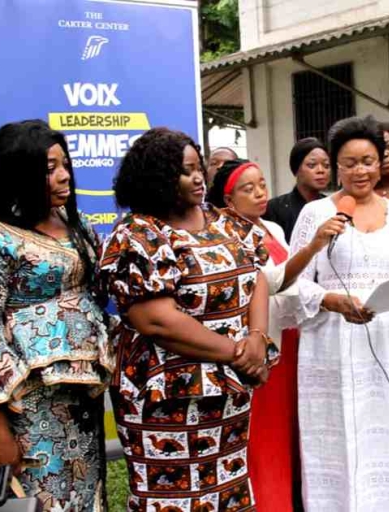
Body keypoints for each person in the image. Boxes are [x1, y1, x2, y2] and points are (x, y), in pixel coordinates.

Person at [100, 128, 278, 512]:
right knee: (173, 498)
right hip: (165, 397)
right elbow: (156, 321)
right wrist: (237, 352)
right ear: (158, 178)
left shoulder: (228, 223)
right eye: (185, 171)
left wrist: (258, 337)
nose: (198, 178)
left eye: (200, 168)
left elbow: (257, 276)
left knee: (226, 494)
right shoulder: (137, 236)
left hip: (229, 392)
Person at [0, 120, 113, 511]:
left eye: (64, 164)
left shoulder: (76, 228)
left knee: (84, 499)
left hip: (80, 407)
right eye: (48, 168)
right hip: (25, 410)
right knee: (32, 502)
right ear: (18, 172)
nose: (63, 176)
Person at [289, 115, 389, 512]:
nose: (360, 170)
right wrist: (331, 300)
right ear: (335, 165)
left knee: (383, 436)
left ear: (381, 162)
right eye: (350, 163)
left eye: (368, 160)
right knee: (333, 438)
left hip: (388, 345)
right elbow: (291, 283)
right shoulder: (315, 215)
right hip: (330, 344)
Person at [207, 158, 346, 512]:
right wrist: (314, 246)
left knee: (289, 434)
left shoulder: (272, 228)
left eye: (262, 184)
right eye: (247, 188)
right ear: (227, 199)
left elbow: (293, 287)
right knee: (264, 437)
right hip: (257, 346)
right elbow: (273, 281)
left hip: (290, 339)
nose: (259, 193)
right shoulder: (226, 235)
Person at [264, 137, 330, 242]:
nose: (321, 170)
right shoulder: (274, 209)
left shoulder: (332, 207)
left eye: (326, 165)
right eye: (312, 165)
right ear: (296, 169)